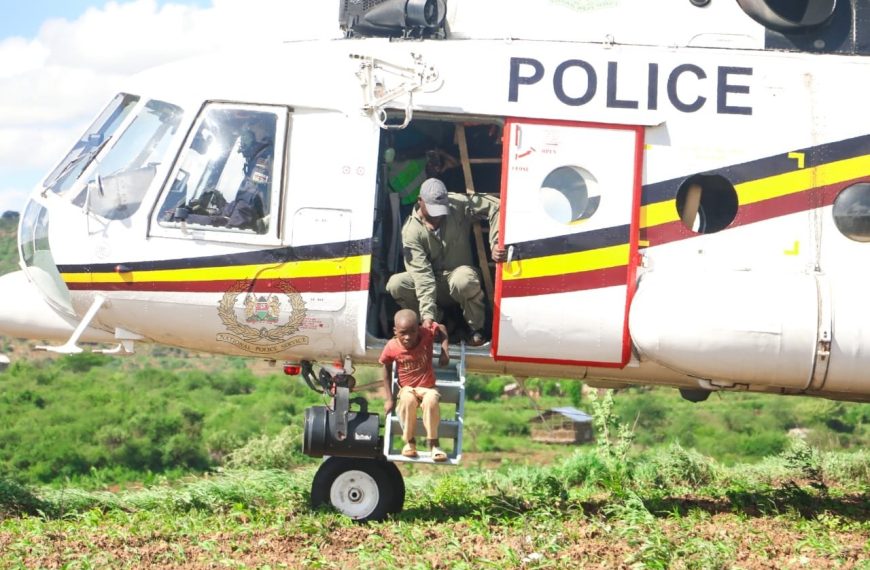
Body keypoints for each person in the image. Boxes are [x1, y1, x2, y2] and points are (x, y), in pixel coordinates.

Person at [386, 177, 506, 347]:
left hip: (458, 277)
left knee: (464, 279)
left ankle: (476, 329)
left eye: (441, 210)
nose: (438, 216)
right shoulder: (411, 231)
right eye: (433, 210)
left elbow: (497, 206)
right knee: (396, 284)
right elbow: (422, 276)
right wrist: (428, 316)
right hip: (432, 282)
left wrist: (495, 242)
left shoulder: (456, 203)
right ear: (420, 201)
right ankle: (442, 325)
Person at [379, 308, 450, 461]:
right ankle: (410, 442)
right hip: (408, 389)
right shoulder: (392, 346)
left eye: (412, 331)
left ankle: (433, 444)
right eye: (403, 333)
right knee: (406, 400)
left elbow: (442, 329)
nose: (408, 337)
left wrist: (445, 351)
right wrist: (390, 399)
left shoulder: (426, 333)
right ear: (395, 331)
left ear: (418, 328)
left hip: (428, 387)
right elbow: (385, 369)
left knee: (431, 401)